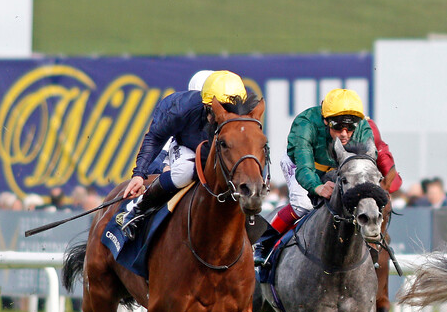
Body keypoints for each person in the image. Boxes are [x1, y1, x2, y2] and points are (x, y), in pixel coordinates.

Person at [253, 88, 402, 265]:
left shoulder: (362, 126)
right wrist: (318, 187)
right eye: (338, 127)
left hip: (339, 165)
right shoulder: (305, 124)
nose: (345, 134)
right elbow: (304, 168)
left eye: (350, 128)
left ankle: (371, 245)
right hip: (303, 164)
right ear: (325, 121)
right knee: (303, 204)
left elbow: (365, 166)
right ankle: (264, 243)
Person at [120, 70, 248, 240]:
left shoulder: (245, 118)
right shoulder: (181, 109)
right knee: (184, 173)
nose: (220, 116)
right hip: (187, 145)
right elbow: (155, 137)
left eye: (228, 110)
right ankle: (139, 209)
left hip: (219, 151)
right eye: (215, 110)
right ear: (206, 104)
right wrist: (139, 174)